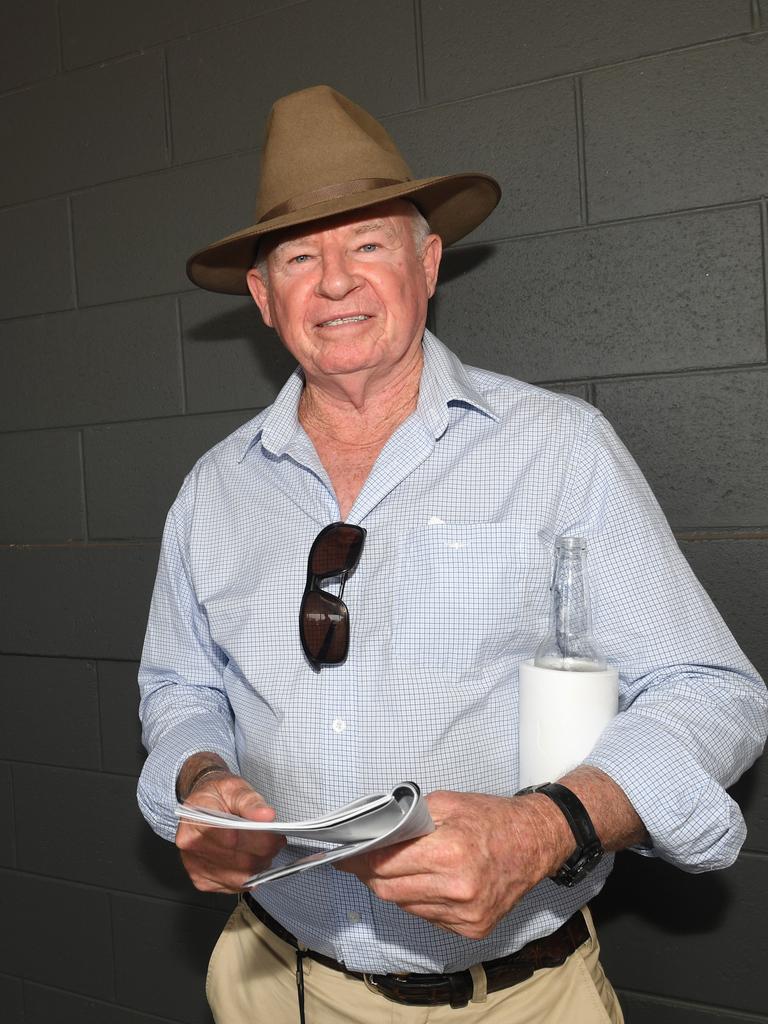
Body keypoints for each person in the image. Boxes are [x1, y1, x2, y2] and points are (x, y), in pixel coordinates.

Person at [137, 85, 768, 1024]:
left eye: (368, 244)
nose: (337, 281)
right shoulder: (214, 489)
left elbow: (712, 691)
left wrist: (545, 826)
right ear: (266, 301)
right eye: (301, 256)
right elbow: (178, 689)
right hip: (272, 985)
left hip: (513, 1002)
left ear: (427, 264)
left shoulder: (559, 448)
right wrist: (203, 781)